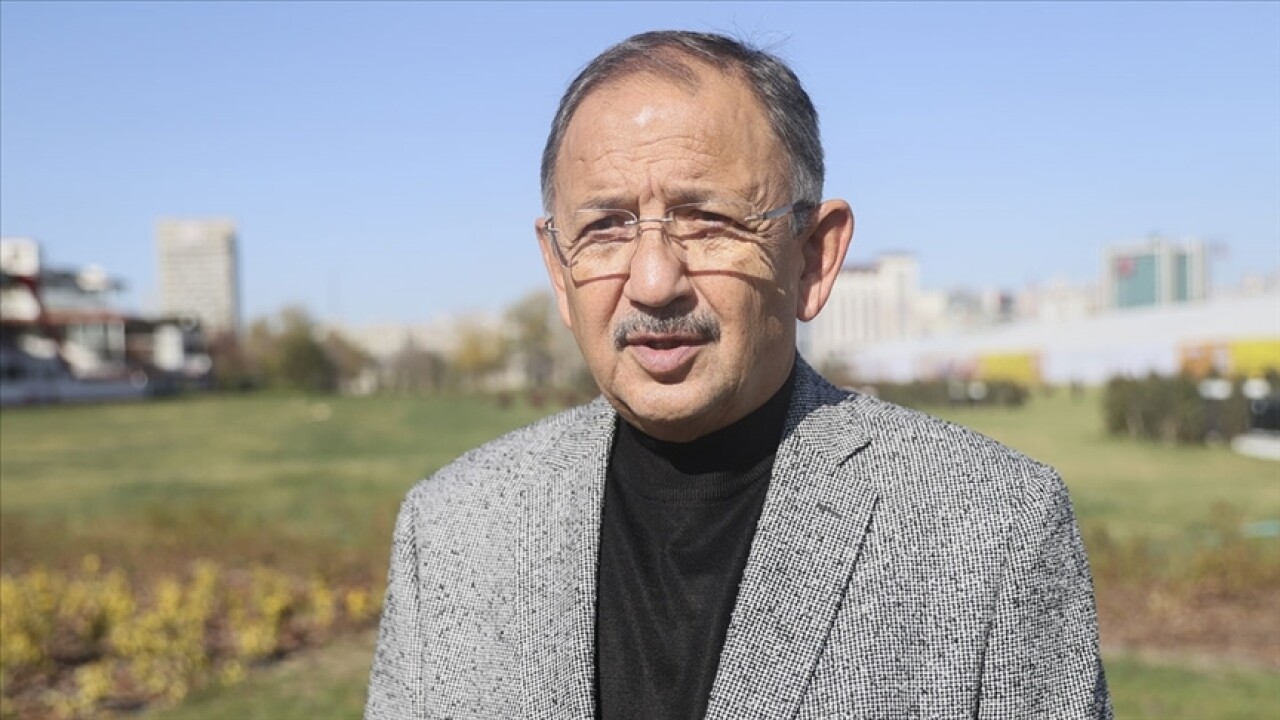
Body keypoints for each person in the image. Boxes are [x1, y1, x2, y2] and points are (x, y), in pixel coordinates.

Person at [366, 30, 1111, 720]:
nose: (653, 282)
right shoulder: (452, 529)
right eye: (606, 228)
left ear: (813, 258)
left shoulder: (992, 530)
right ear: (559, 269)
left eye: (707, 220)